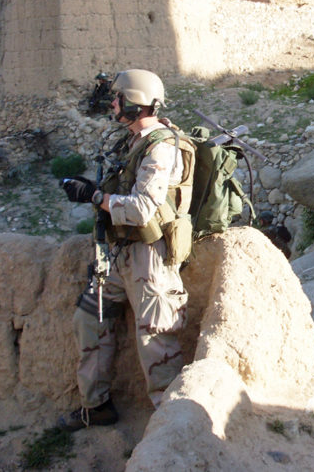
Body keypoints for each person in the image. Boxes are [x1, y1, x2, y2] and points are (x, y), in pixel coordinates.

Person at [58, 69, 194, 431]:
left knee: (156, 339)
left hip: (149, 258)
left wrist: (96, 197)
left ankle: (173, 430)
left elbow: (141, 209)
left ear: (136, 103)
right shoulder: (132, 140)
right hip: (120, 255)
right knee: (89, 319)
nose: (113, 103)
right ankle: (96, 405)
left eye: (118, 97)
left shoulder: (161, 146)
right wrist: (92, 190)